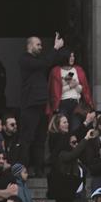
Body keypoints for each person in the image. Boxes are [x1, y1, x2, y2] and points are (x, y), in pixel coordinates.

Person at [19, 33, 66, 173]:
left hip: (42, 104)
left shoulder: (40, 60)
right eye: (38, 44)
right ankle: (23, 169)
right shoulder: (25, 59)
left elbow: (47, 62)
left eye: (40, 44)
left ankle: (39, 170)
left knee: (40, 139)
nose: (40, 47)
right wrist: (55, 48)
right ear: (29, 45)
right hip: (30, 104)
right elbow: (45, 63)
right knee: (27, 139)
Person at [48, 50, 94, 130]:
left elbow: (84, 90)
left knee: (76, 127)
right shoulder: (56, 71)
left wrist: (76, 85)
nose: (72, 58)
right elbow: (55, 92)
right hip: (62, 103)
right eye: (70, 56)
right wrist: (69, 86)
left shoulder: (78, 70)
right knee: (62, 127)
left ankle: (73, 142)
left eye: (73, 56)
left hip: (76, 103)